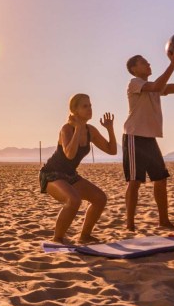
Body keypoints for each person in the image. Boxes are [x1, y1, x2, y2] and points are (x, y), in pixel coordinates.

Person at [122, 47, 174, 231]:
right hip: (134, 136)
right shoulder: (134, 83)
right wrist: (173, 64)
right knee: (134, 182)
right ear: (134, 68)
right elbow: (157, 86)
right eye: (144, 62)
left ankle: (163, 220)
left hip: (150, 138)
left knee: (160, 179)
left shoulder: (154, 86)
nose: (148, 64)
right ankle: (129, 224)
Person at [39, 94, 117, 244]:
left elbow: (112, 150)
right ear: (74, 110)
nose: (89, 109)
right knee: (73, 200)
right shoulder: (66, 129)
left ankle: (85, 236)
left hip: (70, 175)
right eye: (85, 106)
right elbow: (69, 154)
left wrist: (110, 129)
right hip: (51, 174)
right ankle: (57, 239)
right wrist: (78, 129)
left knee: (100, 198)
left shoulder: (90, 131)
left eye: (90, 105)